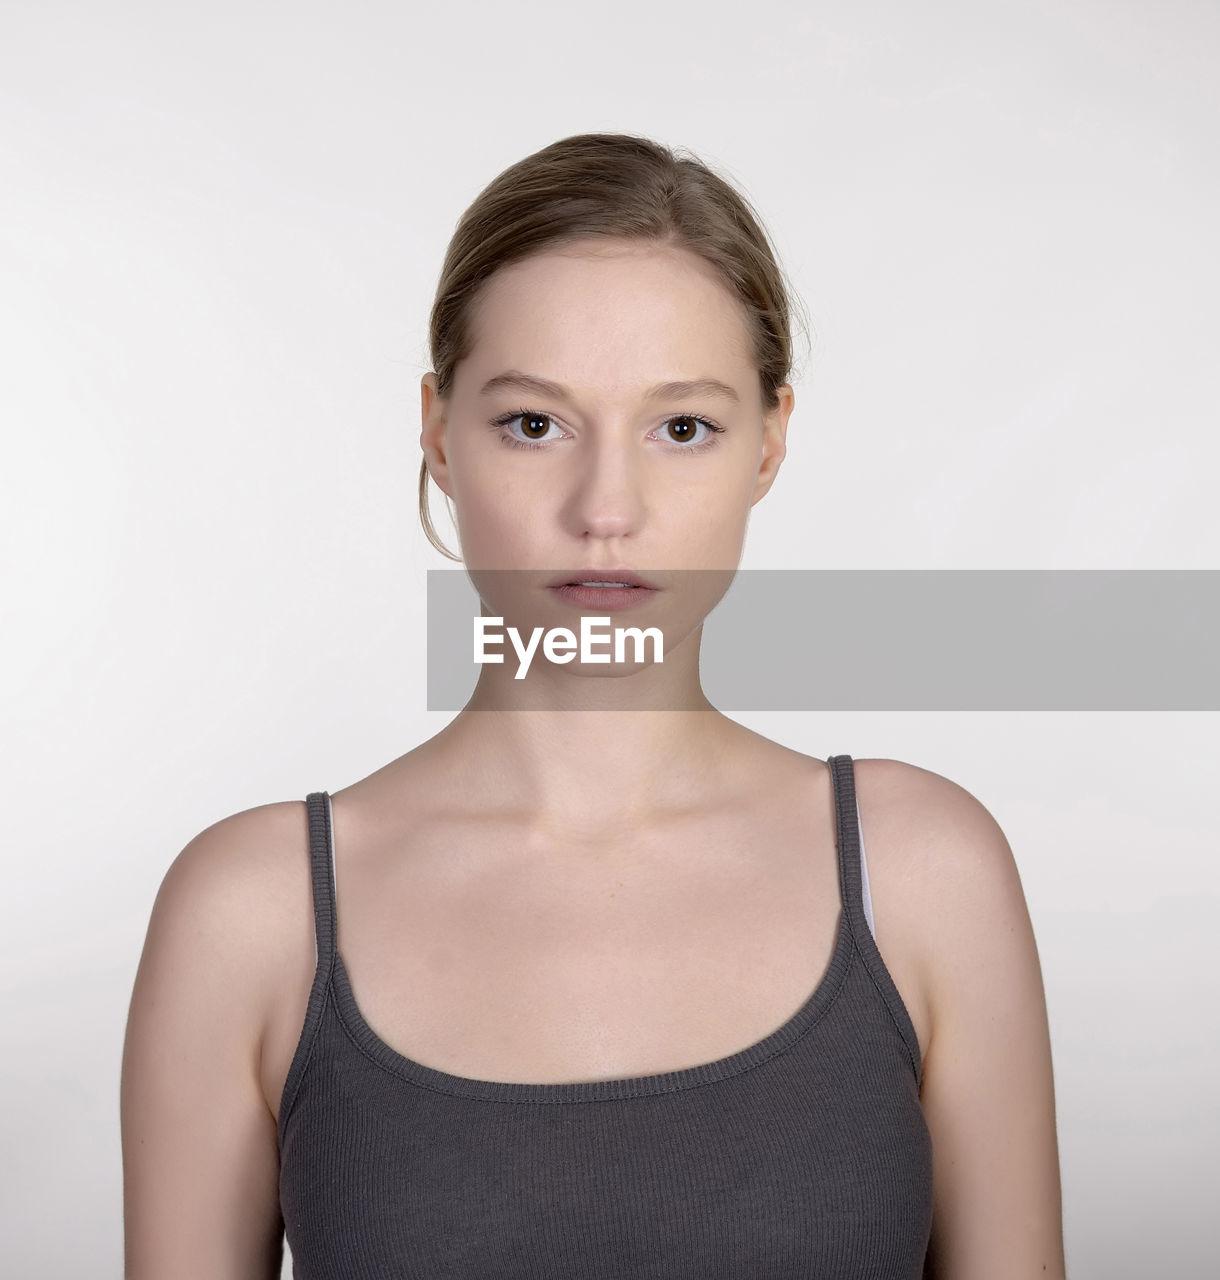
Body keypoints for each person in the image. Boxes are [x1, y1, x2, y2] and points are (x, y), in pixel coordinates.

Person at [120, 132, 1066, 1279]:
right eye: (533, 422)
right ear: (437, 431)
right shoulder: (250, 912)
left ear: (768, 440)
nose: (605, 507)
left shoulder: (925, 873)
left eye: (682, 427)